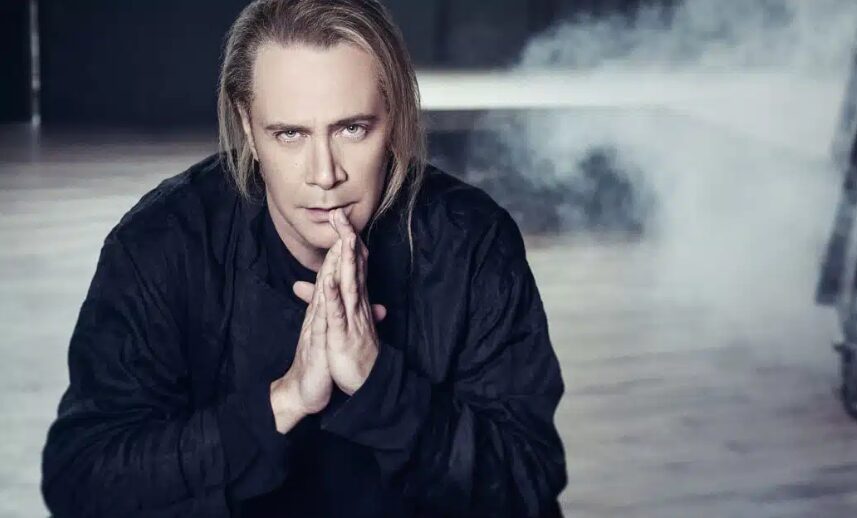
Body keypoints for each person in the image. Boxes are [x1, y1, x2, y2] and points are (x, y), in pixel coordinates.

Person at [40, 0, 567, 516]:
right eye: (290, 134)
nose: (324, 174)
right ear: (247, 127)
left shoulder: (472, 241)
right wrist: (286, 400)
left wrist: (379, 384)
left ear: (393, 119)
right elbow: (83, 481)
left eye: (352, 129)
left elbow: (528, 482)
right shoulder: (162, 243)